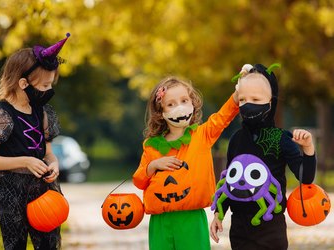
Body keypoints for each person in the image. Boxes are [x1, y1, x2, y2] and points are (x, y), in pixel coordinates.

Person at [0, 33, 70, 250]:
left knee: (48, 244)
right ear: (23, 83)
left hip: (42, 191)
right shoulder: (0, 115)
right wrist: (24, 161)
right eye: (44, 85)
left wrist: (53, 164)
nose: (48, 90)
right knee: (15, 244)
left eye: (50, 84)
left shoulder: (42, 113)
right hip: (10, 193)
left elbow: (48, 152)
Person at [210, 63, 317, 250]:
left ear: (270, 102)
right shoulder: (236, 139)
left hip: (270, 227)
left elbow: (305, 177)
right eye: (242, 100)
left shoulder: (281, 138)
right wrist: (219, 214)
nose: (247, 104)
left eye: (255, 99)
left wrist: (308, 149)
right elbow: (230, 181)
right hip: (239, 228)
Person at [133, 76, 239, 250]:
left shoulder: (202, 135)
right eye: (171, 104)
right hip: (161, 221)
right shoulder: (152, 146)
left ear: (193, 104)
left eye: (184, 100)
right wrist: (153, 166)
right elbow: (138, 181)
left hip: (191, 218)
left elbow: (222, 117)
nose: (179, 107)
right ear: (161, 112)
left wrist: (238, 93)